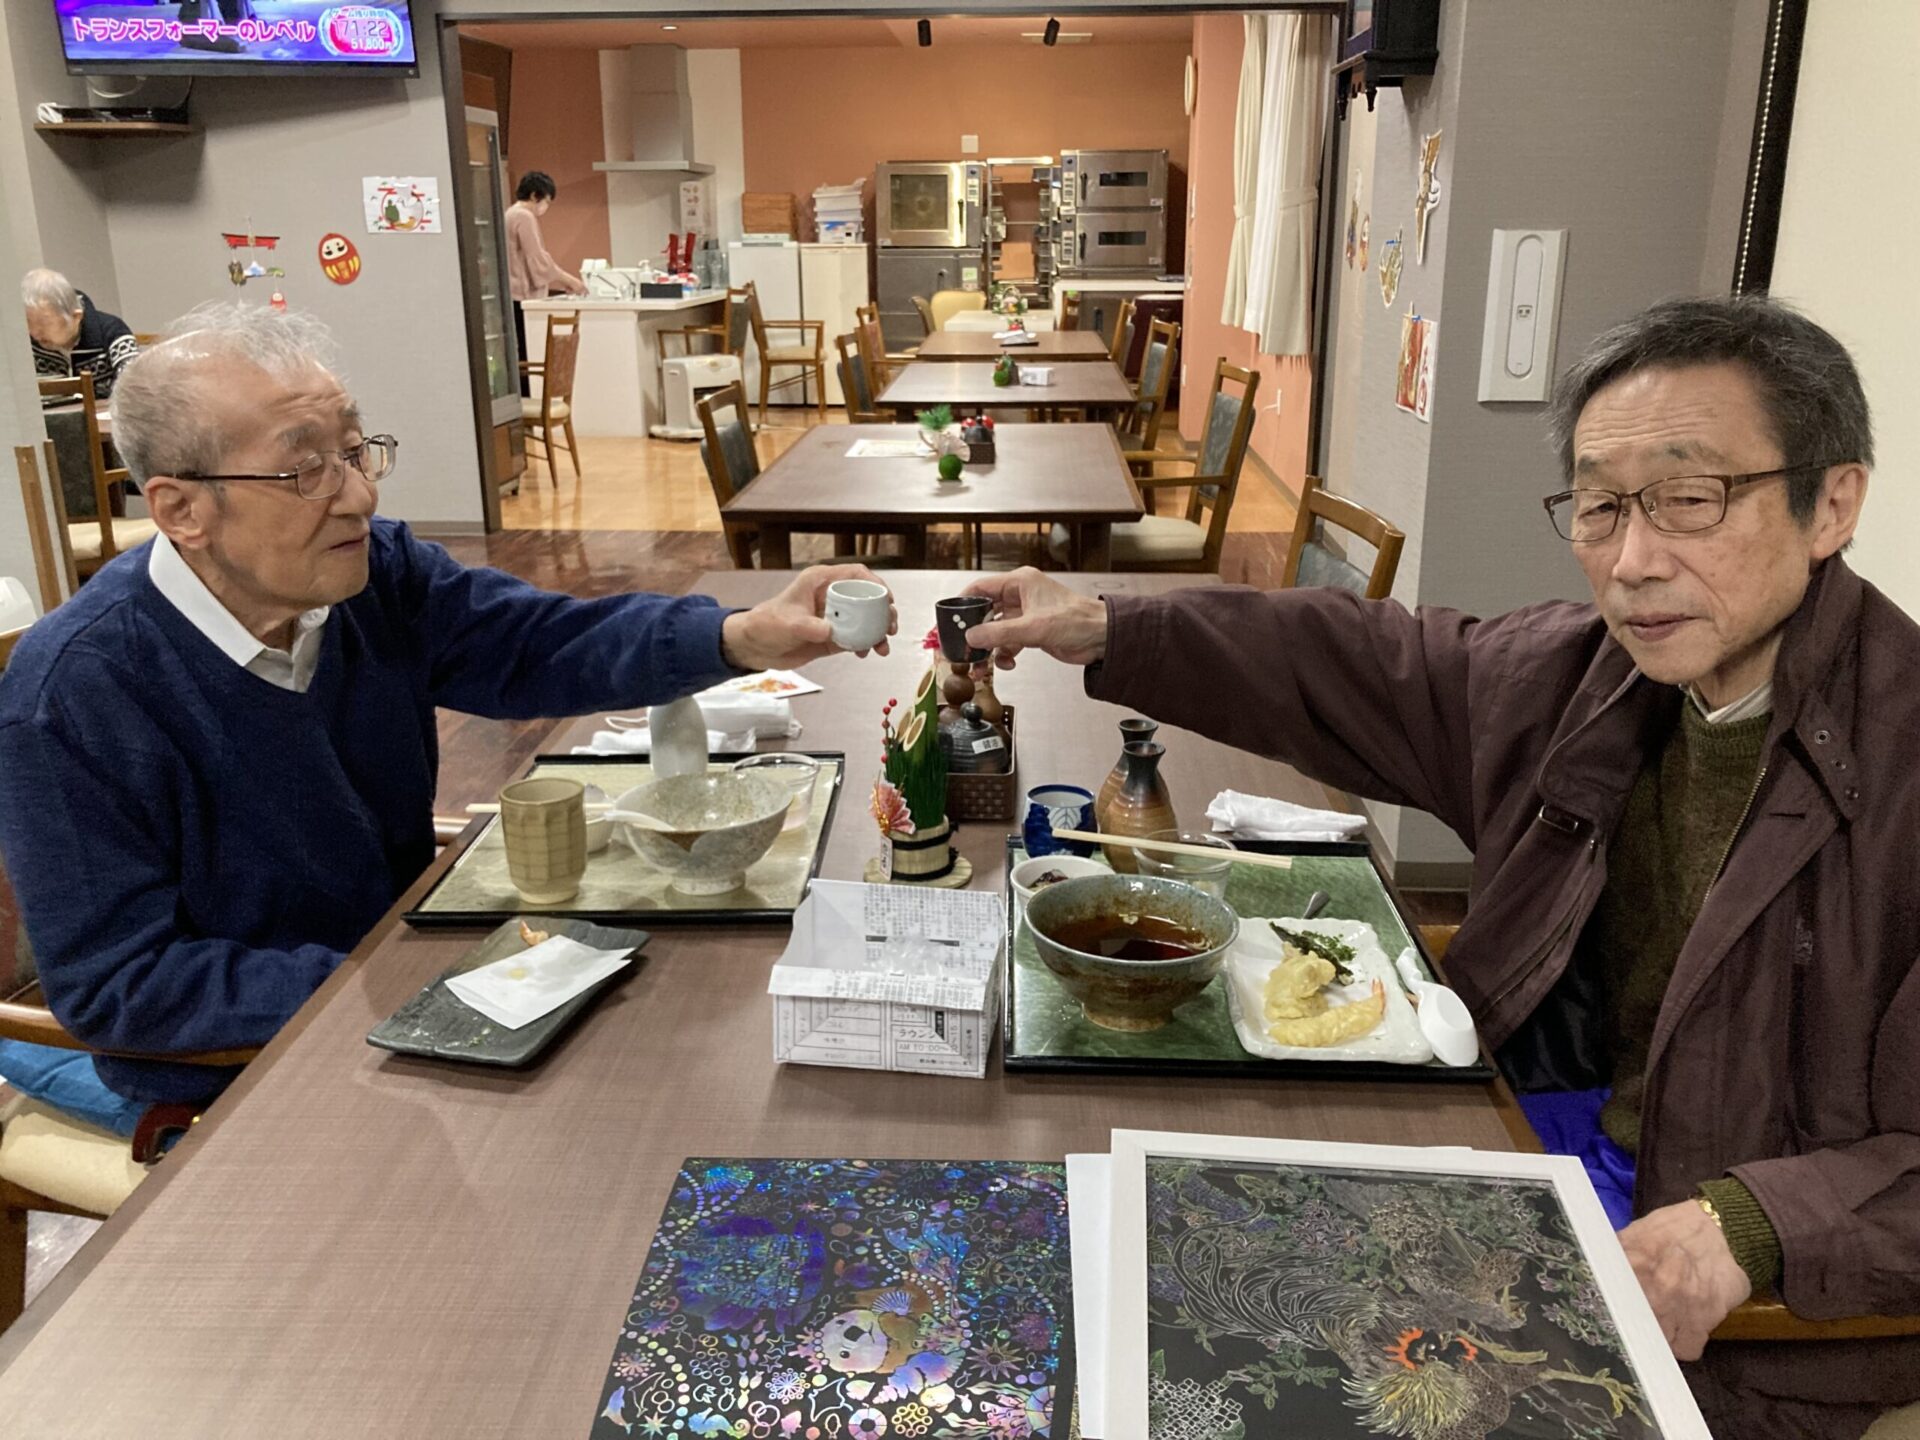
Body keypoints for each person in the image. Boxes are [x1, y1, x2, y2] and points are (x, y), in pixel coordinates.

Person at [961, 296, 1918, 1437]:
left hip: (1744, 1311)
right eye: (1602, 507)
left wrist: (1751, 1227)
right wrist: (1109, 627)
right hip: (1535, 1146)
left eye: (1691, 498)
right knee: (1112, 1295)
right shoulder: (1592, 680)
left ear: (1832, 503)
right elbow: (1369, 660)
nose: (1633, 561)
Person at [0, 302, 893, 1137]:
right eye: (305, 469)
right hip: (239, 1076)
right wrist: (397, 977)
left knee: (685, 1076)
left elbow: (536, 644)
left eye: (355, 451)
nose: (359, 496)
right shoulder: (75, 692)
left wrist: (741, 636)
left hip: (407, 991)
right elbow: (123, 986)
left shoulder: (369, 576)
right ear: (181, 510)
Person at [505, 170, 588, 398]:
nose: (545, 207)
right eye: (546, 201)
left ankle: (526, 402)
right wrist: (569, 280)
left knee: (522, 352)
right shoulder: (523, 216)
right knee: (529, 352)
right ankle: (532, 403)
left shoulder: (509, 214)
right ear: (535, 195)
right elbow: (538, 259)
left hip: (513, 294)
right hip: (522, 295)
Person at [23, 267, 139, 401]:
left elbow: (135, 388)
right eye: (28, 321)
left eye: (44, 322)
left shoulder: (114, 333)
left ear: (76, 317)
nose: (34, 331)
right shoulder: (27, 345)